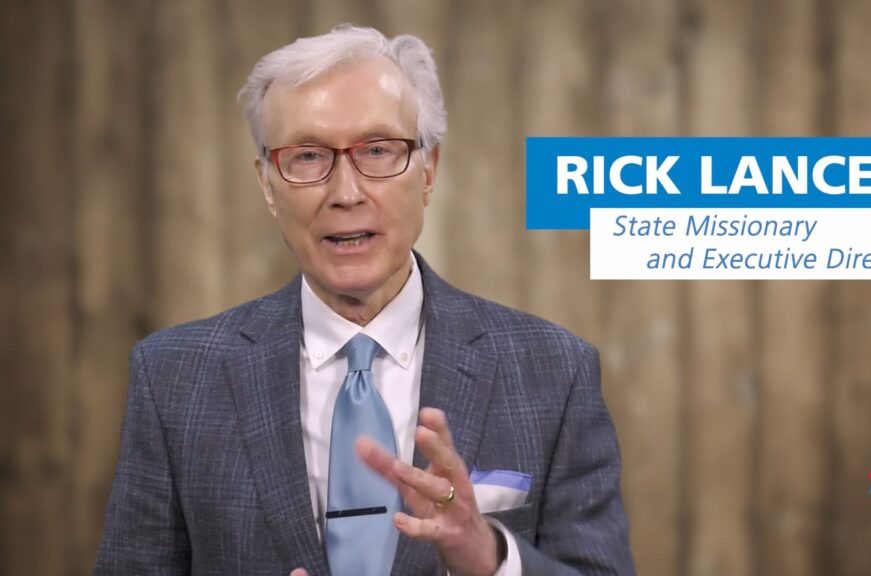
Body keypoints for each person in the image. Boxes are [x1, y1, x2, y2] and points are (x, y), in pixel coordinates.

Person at [94, 23, 634, 576]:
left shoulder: (554, 372)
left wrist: (494, 561)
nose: (346, 193)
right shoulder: (172, 380)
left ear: (429, 171)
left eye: (378, 150)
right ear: (267, 185)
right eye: (306, 157)